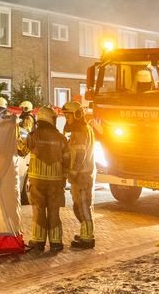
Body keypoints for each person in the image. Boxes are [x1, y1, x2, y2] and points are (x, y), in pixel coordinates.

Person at [22, 106, 70, 253]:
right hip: (56, 180)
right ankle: (56, 242)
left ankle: (38, 241)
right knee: (54, 212)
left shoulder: (33, 135)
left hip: (37, 180)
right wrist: (65, 177)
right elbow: (67, 160)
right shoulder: (61, 138)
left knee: (38, 211)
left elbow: (22, 151)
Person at [62, 101, 95, 249]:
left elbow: (80, 154)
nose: (66, 119)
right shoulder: (82, 129)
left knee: (83, 206)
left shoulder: (80, 131)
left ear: (76, 115)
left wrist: (73, 172)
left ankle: (87, 238)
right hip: (82, 174)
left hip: (82, 175)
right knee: (79, 206)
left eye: (68, 116)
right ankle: (85, 233)